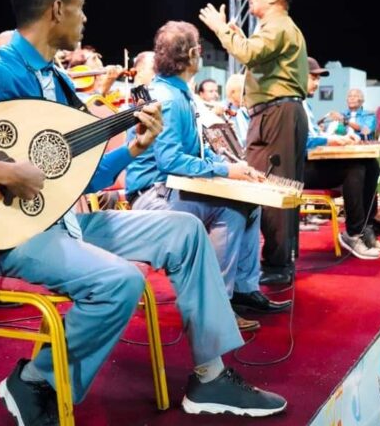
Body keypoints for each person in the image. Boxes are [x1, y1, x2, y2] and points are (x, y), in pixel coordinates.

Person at [0, 0, 287, 422]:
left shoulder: (57, 81)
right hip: (7, 236)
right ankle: (35, 381)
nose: (85, 17)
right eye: (80, 7)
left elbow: (83, 176)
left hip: (63, 223)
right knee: (120, 282)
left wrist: (133, 150)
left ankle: (210, 376)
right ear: (57, 10)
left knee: (185, 230)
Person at [125, 21, 292, 334]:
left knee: (248, 204)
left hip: (168, 188)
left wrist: (235, 168)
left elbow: (195, 151)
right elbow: (171, 161)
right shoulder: (168, 98)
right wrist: (226, 171)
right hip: (152, 196)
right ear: (193, 53)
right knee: (231, 209)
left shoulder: (176, 92)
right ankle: (214, 307)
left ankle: (242, 290)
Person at [200, 0, 308, 286]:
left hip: (276, 114)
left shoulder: (277, 25)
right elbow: (255, 56)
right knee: (277, 185)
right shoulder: (279, 27)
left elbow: (248, 52)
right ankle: (280, 261)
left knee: (271, 188)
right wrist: (236, 35)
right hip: (277, 113)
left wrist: (222, 29)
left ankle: (277, 264)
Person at [302, 57, 380, 259]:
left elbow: (366, 131)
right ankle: (353, 233)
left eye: (318, 79)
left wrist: (336, 136)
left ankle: (366, 227)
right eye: (313, 78)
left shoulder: (367, 115)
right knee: (354, 169)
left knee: (371, 165)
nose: (317, 83)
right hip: (299, 168)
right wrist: (333, 138)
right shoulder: (295, 105)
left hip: (312, 161)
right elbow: (307, 139)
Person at [225, 74, 250, 147]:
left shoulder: (246, 111)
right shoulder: (221, 111)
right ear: (232, 92)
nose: (247, 95)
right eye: (244, 92)